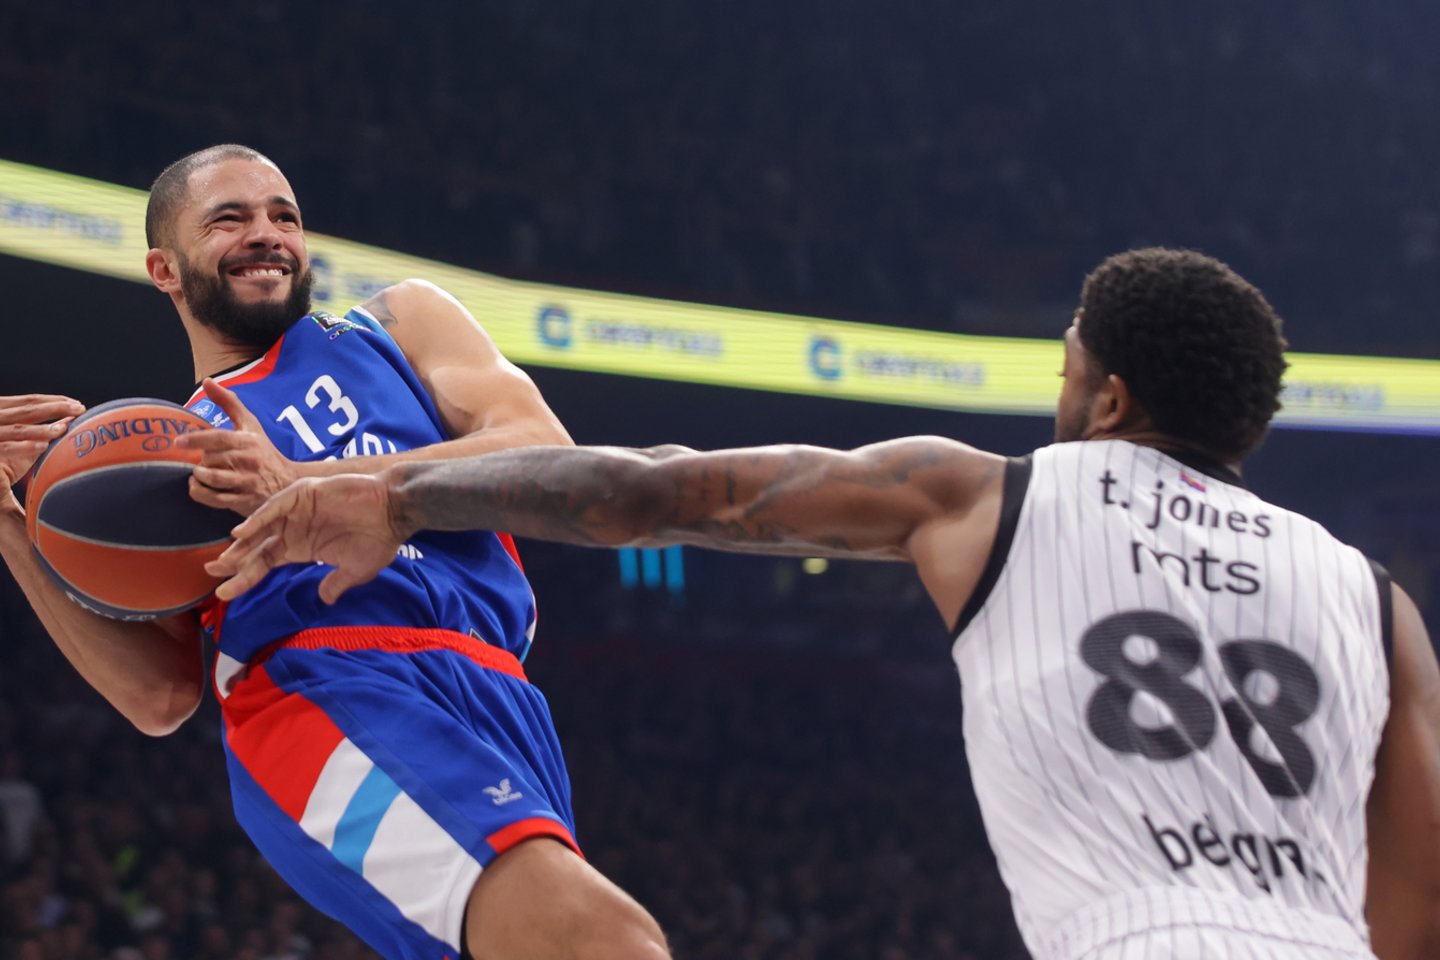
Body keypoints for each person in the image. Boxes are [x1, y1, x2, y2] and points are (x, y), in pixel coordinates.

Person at [212, 248, 1440, 959]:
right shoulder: (1378, 603)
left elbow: (637, 493)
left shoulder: (985, 494)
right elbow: (1417, 904)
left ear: (1108, 399)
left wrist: (400, 495)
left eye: (1067, 361)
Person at [0, 144, 670, 960]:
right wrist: (6, 520)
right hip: (320, 690)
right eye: (228, 219)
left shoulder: (398, 323)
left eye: (283, 215)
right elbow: (160, 697)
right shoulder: (168, 456)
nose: (267, 233)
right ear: (164, 268)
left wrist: (304, 482)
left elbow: (547, 454)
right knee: (603, 940)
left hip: (502, 692)